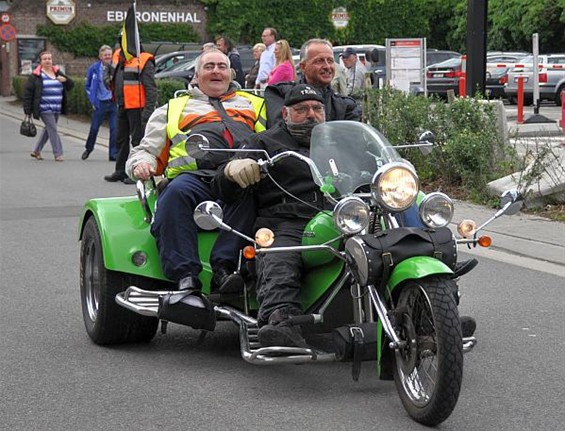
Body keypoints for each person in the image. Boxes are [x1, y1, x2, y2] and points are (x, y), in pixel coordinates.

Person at [125, 48, 267, 294]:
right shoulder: (172, 109)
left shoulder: (257, 105)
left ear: (231, 73)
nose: (216, 71)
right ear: (197, 74)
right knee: (174, 194)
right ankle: (185, 278)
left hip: (241, 177)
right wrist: (141, 164)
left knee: (253, 195)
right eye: (209, 66)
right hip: (193, 179)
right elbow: (144, 149)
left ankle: (225, 271)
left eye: (221, 66)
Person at [212, 84, 326, 347]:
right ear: (285, 113)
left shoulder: (340, 141)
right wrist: (233, 170)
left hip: (343, 215)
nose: (311, 114)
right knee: (279, 254)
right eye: (302, 109)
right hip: (287, 220)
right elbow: (221, 187)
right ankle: (280, 319)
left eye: (317, 108)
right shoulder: (263, 142)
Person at [264, 38, 360, 128]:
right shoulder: (280, 94)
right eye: (319, 61)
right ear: (303, 67)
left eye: (330, 61)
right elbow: (277, 133)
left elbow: (351, 140)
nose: (327, 66)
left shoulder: (346, 106)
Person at [103, 47, 157, 184]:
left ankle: (136, 173)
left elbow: (151, 88)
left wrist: (148, 111)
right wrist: (107, 79)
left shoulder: (144, 60)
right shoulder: (118, 56)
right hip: (122, 104)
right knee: (121, 139)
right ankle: (120, 170)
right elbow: (109, 72)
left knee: (137, 141)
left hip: (137, 106)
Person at [23, 51, 74, 162]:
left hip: (56, 107)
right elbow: (28, 93)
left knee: (49, 129)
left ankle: (36, 150)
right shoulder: (36, 76)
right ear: (41, 61)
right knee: (53, 129)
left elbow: (71, 85)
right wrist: (27, 110)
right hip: (44, 108)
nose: (47, 61)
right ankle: (58, 153)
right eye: (45, 59)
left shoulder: (57, 73)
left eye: (49, 59)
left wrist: (65, 80)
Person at [82, 45, 118, 161]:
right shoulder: (94, 68)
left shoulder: (115, 67)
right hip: (100, 103)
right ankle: (89, 148)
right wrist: (92, 99)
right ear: (100, 56)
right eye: (105, 55)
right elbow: (87, 86)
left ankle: (113, 154)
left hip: (113, 102)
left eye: (109, 54)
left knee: (114, 129)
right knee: (94, 128)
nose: (108, 57)